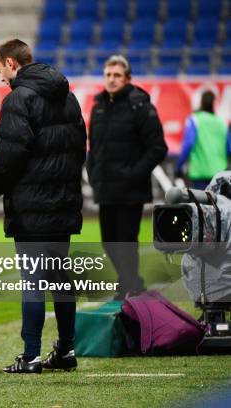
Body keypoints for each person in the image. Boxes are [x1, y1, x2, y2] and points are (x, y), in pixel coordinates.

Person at [0, 39, 86, 374]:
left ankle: (30, 356)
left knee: (33, 280)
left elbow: (10, 156)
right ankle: (67, 351)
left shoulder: (18, 99)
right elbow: (79, 149)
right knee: (60, 277)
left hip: (31, 206)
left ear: (12, 63)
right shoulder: (68, 97)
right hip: (63, 204)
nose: (0, 78)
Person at [87, 55, 167, 300]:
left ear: (128, 79)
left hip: (131, 190)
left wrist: (133, 174)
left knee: (125, 242)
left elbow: (157, 148)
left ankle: (129, 288)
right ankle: (132, 284)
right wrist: (92, 171)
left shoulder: (140, 106)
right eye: (108, 75)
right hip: (106, 188)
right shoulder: (98, 106)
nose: (111, 80)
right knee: (109, 243)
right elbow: (94, 146)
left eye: (117, 75)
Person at [176, 90, 230, 190]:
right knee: (218, 204)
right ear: (214, 103)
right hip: (219, 176)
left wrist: (178, 167)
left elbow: (188, 145)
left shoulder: (194, 120)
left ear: (201, 102)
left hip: (199, 175)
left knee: (201, 204)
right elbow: (229, 149)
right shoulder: (222, 123)